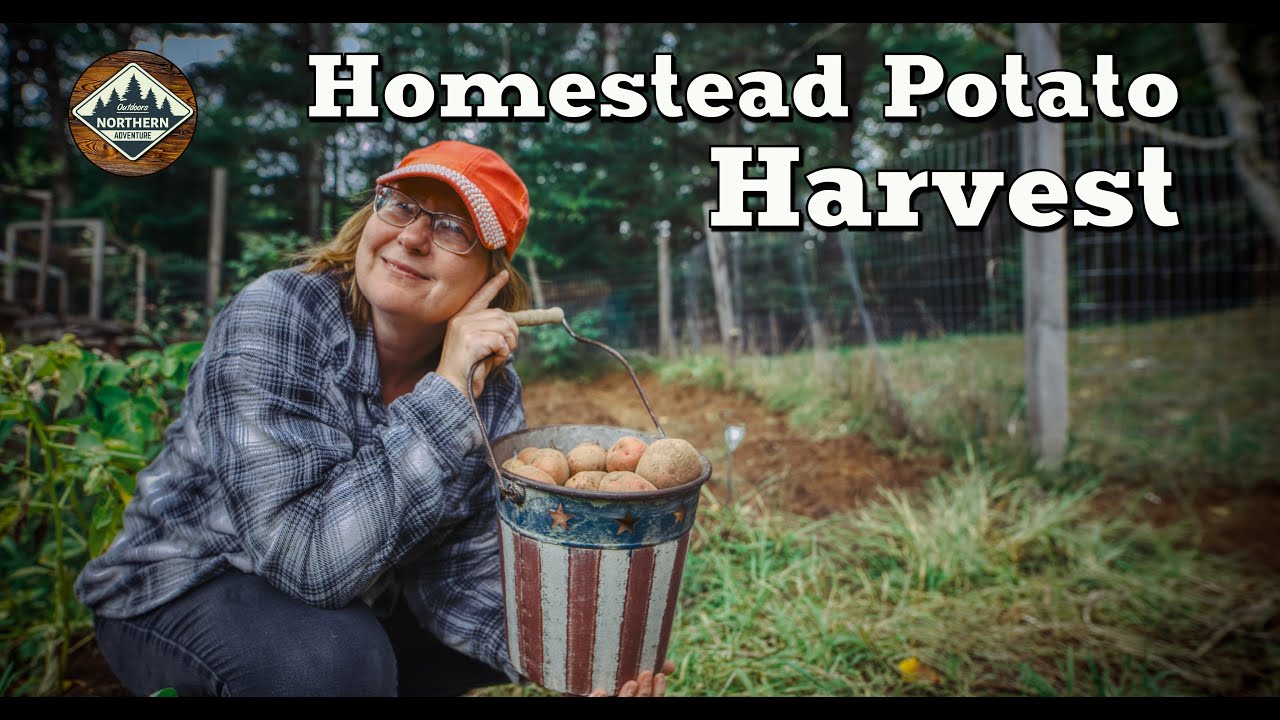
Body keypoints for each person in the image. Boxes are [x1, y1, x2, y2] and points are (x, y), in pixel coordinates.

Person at [74, 139, 676, 697]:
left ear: (493, 280)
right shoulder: (281, 314)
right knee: (332, 664)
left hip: (357, 594)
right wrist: (444, 393)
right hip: (182, 586)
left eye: (453, 228)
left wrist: (581, 663)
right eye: (401, 206)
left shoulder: (492, 392)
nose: (413, 237)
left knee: (477, 641)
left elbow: (460, 575)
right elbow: (302, 561)